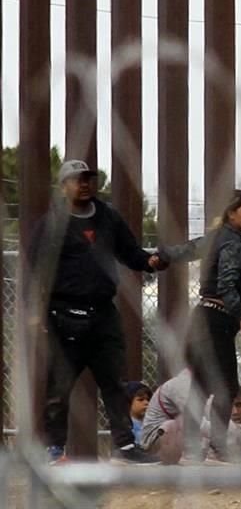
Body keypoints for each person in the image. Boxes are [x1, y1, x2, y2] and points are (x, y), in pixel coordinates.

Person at [27, 160, 165, 465]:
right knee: (58, 387)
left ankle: (126, 447)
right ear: (64, 187)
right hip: (63, 315)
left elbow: (130, 252)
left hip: (104, 315)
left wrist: (150, 262)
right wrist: (35, 313)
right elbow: (35, 271)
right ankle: (54, 450)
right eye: (77, 179)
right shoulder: (52, 223)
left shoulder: (107, 218)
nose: (85, 184)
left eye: (89, 178)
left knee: (115, 383)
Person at [161, 190, 241, 463]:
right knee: (227, 387)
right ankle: (218, 448)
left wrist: (159, 257)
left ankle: (193, 451)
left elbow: (184, 250)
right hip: (217, 321)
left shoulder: (216, 238)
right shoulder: (232, 243)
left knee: (202, 388)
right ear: (232, 213)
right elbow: (226, 285)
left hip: (202, 320)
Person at [140, 369, 192, 465]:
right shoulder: (181, 383)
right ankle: (189, 455)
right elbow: (192, 416)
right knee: (173, 424)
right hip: (154, 438)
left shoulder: (197, 384)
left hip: (173, 435)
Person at [127, 381, 153, 447]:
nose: (146, 403)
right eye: (141, 399)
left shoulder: (150, 423)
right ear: (129, 403)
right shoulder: (127, 427)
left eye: (148, 399)